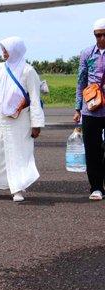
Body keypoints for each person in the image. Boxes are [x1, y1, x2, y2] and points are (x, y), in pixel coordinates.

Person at [0, 36, 45, 202]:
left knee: (17, 151)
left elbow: (35, 98)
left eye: (7, 49)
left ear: (16, 50)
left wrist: (36, 124)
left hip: (19, 117)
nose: (4, 53)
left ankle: (17, 188)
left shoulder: (28, 71)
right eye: (3, 49)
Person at [74, 18, 105, 201]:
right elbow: (81, 81)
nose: (100, 38)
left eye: (103, 35)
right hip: (91, 107)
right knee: (92, 149)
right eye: (97, 35)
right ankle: (96, 187)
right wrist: (78, 108)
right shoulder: (87, 53)